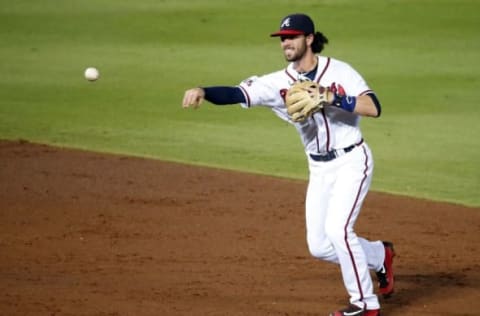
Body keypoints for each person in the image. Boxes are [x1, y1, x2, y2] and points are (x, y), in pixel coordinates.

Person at [182, 13, 395, 316]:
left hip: (352, 160)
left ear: (309, 39)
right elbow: (237, 93)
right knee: (320, 246)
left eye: (292, 37)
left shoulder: (341, 71)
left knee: (338, 230)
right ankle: (379, 255)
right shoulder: (278, 83)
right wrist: (204, 91)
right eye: (283, 38)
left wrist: (330, 97)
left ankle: (365, 305)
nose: (286, 43)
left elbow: (373, 107)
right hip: (319, 169)